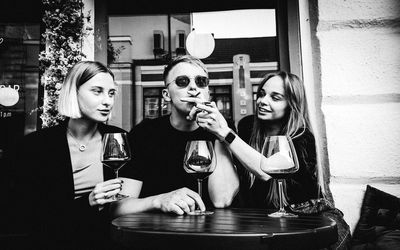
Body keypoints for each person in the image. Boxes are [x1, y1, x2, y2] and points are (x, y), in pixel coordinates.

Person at [191, 71, 351, 249]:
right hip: (268, 222)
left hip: (314, 218)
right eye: (261, 94)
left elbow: (268, 171)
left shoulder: (302, 137)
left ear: (291, 104)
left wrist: (225, 132)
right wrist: (219, 131)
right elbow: (222, 199)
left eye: (275, 97)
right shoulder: (247, 127)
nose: (262, 101)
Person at [12, 61, 132, 249]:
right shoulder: (36, 146)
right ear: (73, 92)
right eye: (97, 91)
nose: (108, 101)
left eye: (111, 93)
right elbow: (27, 215)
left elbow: (127, 204)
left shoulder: (117, 138)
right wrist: (89, 201)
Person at [112, 55, 239, 216]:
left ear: (207, 93)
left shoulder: (222, 129)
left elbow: (222, 200)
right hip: (156, 233)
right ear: (166, 95)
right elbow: (119, 207)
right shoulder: (144, 133)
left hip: (210, 233)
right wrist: (159, 200)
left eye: (201, 82)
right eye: (182, 81)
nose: (193, 88)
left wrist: (218, 132)